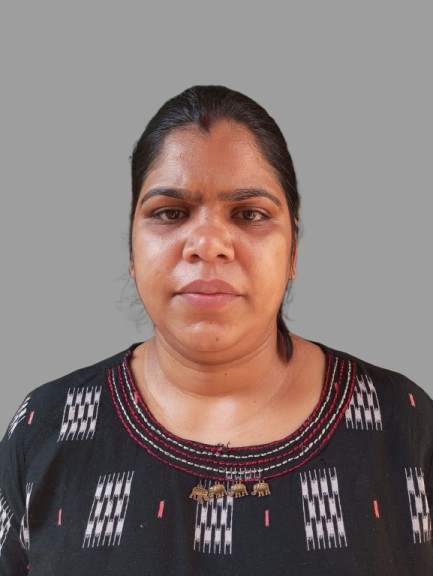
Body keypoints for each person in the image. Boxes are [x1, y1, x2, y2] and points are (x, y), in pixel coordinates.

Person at [0, 86, 432, 575]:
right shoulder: (46, 428)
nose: (207, 244)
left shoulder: (404, 425)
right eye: (170, 213)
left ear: (293, 251)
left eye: (249, 214)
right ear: (132, 249)